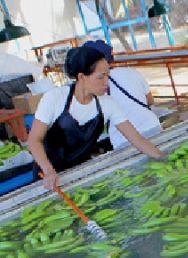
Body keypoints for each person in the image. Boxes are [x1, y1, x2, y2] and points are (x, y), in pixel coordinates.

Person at [26, 46, 165, 190]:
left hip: (82, 173)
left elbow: (137, 139)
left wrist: (162, 157)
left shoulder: (107, 104)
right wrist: (48, 171)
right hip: (49, 179)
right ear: (81, 77)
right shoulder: (55, 98)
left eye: (107, 75)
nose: (107, 82)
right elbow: (34, 139)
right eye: (101, 77)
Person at [82, 40, 163, 151]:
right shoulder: (131, 72)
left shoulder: (92, 86)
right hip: (152, 127)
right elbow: (150, 101)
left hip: (124, 140)